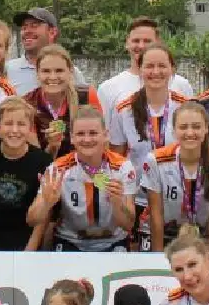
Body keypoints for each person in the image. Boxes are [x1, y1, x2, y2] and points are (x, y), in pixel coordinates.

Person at [30, 106, 136, 252]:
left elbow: (128, 225)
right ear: (72, 138)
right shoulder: (58, 169)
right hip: (70, 242)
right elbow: (32, 220)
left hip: (113, 243)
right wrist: (46, 204)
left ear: (106, 135)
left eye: (93, 133)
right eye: (80, 134)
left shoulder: (123, 167)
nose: (87, 139)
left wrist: (117, 204)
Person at [141, 102, 209, 253]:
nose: (190, 133)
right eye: (183, 127)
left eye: (196, 127)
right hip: (166, 233)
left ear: (206, 129)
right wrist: (156, 256)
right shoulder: (155, 160)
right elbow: (156, 214)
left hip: (200, 234)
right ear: (174, 131)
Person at [0, 98, 54, 251]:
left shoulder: (42, 161)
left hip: (24, 239)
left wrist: (30, 250)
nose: (14, 130)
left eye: (21, 124)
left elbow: (44, 214)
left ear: (30, 128)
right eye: (8, 124)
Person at [108, 43, 188, 181]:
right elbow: (116, 159)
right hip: (138, 197)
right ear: (140, 70)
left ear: (172, 69)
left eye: (162, 66)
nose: (156, 72)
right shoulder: (124, 110)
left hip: (178, 196)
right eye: (150, 66)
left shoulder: (186, 107)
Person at [97, 17, 194, 112]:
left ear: (158, 43)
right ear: (127, 43)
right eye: (136, 41)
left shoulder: (181, 85)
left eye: (147, 41)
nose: (141, 46)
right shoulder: (108, 89)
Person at [24, 45, 98, 158]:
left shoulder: (87, 96)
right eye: (46, 71)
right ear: (37, 73)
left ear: (70, 71)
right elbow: (35, 163)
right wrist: (53, 146)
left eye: (59, 71)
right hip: (46, 172)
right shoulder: (27, 103)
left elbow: (100, 145)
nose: (53, 77)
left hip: (83, 169)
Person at [9, 7, 87, 95]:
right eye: (24, 27)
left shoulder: (72, 73)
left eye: (34, 26)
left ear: (52, 32)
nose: (27, 31)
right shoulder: (6, 71)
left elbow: (83, 107)